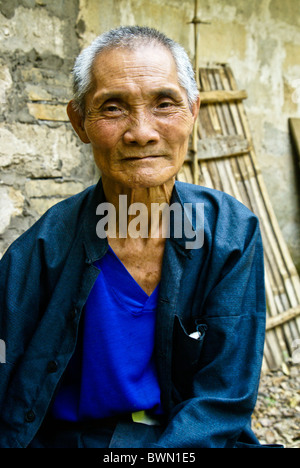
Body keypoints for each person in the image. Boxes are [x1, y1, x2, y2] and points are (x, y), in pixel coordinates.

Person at [0, 26, 268, 448]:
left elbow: (223, 398)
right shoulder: (41, 250)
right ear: (79, 122)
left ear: (193, 112)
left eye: (165, 104)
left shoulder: (230, 235)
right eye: (112, 108)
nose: (141, 131)